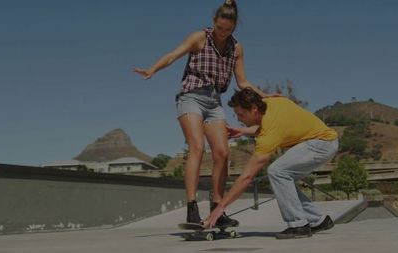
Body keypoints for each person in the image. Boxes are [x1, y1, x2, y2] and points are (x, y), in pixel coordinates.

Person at [134, 0, 271, 226]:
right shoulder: (199, 37)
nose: (223, 34)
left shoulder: (236, 48)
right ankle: (191, 207)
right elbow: (172, 55)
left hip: (214, 101)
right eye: (220, 28)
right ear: (214, 22)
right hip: (191, 97)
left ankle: (217, 210)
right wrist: (152, 69)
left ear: (234, 28)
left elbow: (243, 81)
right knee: (197, 147)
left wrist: (266, 96)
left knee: (222, 153)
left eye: (228, 30)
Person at [203, 88, 339, 239]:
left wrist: (221, 206)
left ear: (254, 109)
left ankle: (298, 225)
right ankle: (317, 220)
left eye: (241, 114)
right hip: (324, 141)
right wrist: (242, 131)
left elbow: (247, 177)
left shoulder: (269, 132)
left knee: (277, 171)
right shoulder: (270, 103)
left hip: (321, 143)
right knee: (284, 177)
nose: (238, 118)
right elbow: (270, 125)